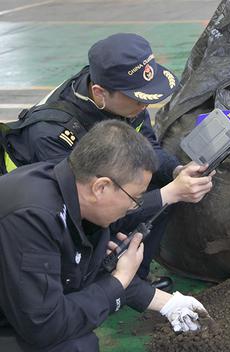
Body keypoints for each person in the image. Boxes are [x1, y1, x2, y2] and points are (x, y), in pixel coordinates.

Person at [0, 33, 214, 290]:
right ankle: (105, 279)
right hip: (39, 213)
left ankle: (134, 277)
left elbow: (147, 147)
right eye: (138, 98)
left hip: (87, 189)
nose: (145, 105)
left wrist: (176, 171)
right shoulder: (52, 133)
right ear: (101, 93)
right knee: (162, 195)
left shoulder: (120, 96)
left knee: (164, 182)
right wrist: (169, 193)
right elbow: (79, 209)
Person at [0, 120, 208, 351]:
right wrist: (118, 281)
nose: (134, 207)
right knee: (75, 346)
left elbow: (85, 273)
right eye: (135, 198)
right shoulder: (31, 218)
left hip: (17, 306)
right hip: (19, 321)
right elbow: (44, 327)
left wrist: (168, 304)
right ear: (101, 187)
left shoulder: (74, 193)